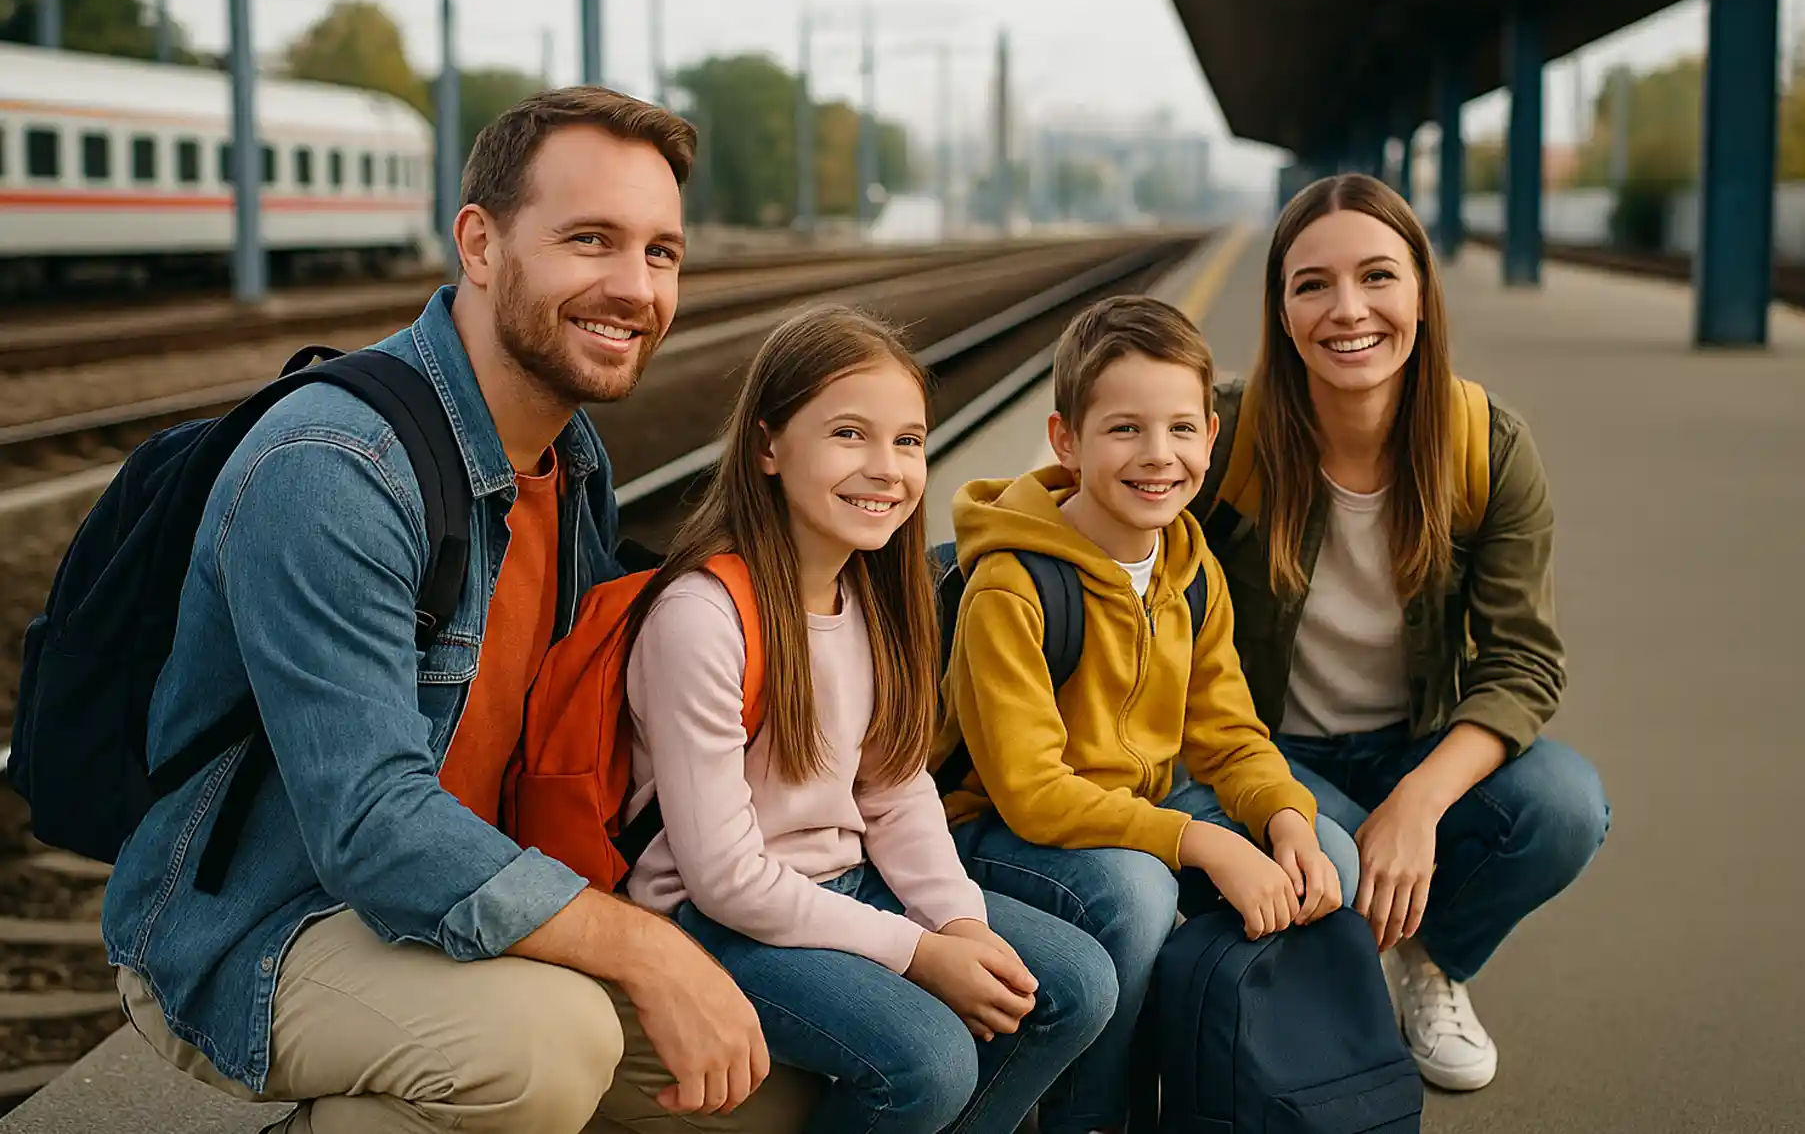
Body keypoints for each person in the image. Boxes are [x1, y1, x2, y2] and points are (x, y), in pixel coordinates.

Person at [100, 87, 819, 1133]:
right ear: (478, 244)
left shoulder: (571, 461)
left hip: (470, 893)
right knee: (541, 1049)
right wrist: (643, 945)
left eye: (661, 252)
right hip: (272, 924)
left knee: (777, 1093)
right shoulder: (333, 468)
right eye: (590, 240)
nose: (634, 287)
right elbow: (370, 824)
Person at [619, 305, 1117, 1134]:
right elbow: (726, 879)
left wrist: (956, 918)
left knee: (1076, 984)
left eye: (909, 441)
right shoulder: (703, 617)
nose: (886, 468)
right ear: (767, 447)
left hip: (844, 881)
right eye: (849, 434)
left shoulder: (873, 596)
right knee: (927, 1059)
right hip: (717, 921)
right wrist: (918, 951)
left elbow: (895, 790)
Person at [1188, 172, 1611, 1092]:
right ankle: (1341, 986)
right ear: (1281, 307)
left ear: (1421, 290)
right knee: (1331, 857)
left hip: (1412, 740)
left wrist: (1417, 802)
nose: (1348, 310)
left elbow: (1522, 661)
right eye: (1312, 284)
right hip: (1256, 747)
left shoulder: (1482, 443)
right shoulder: (1224, 435)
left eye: (1377, 276)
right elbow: (1093, 498)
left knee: (1565, 807)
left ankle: (1429, 964)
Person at [935, 294, 1359, 1134]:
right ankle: (1092, 1114)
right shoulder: (1013, 585)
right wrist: (1201, 842)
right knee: (1134, 893)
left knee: (1329, 858)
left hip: (1141, 802)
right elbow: (1031, 792)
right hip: (1003, 829)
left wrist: (1285, 818)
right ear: (1066, 439)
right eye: (1124, 429)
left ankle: (1215, 1084)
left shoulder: (1188, 565)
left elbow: (1228, 731)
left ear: (1208, 431)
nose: (1157, 456)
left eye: (1179, 429)